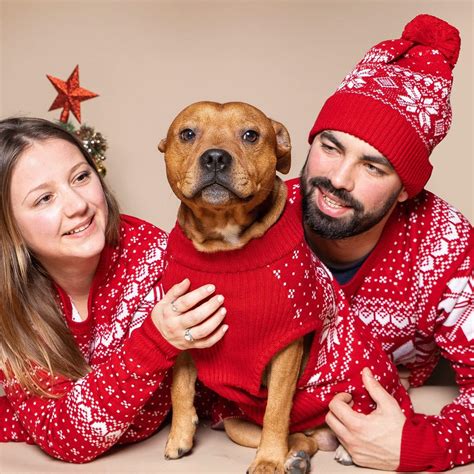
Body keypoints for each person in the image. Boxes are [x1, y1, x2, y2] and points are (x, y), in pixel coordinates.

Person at [297, 13, 473, 472]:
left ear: (405, 189)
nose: (336, 179)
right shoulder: (259, 215)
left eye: (373, 167)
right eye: (330, 147)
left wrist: (423, 446)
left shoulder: (445, 244)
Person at [0, 117, 229, 462]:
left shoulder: (154, 256)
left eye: (81, 177)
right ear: (8, 225)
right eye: (44, 199)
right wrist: (157, 340)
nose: (78, 205)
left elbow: (151, 414)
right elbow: (68, 436)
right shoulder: (10, 302)